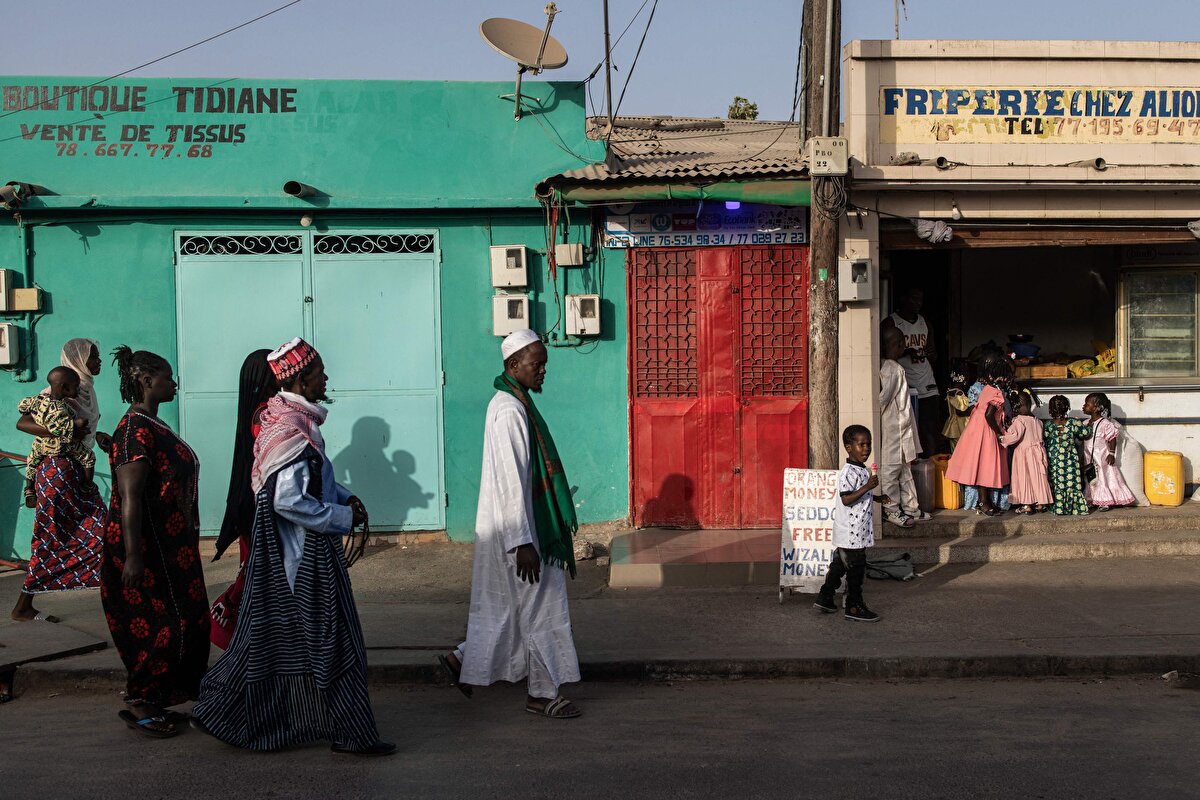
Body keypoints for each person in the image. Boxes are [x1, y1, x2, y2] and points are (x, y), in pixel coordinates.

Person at [191, 338, 393, 756]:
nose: (326, 379)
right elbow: (287, 499)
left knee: (274, 645)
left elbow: (313, 482)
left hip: (298, 557)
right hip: (303, 560)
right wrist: (341, 517)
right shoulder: (289, 430)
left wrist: (344, 496)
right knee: (337, 644)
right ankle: (352, 734)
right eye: (320, 373)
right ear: (301, 380)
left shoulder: (290, 422)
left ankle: (221, 711)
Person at [439, 329, 582, 719]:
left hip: (524, 530)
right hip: (522, 534)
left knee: (510, 609)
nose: (542, 372)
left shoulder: (516, 405)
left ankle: (462, 659)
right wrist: (522, 542)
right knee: (540, 610)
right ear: (513, 364)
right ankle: (542, 694)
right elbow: (510, 478)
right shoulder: (508, 410)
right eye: (537, 364)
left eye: (544, 365)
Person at [101, 346, 209, 738]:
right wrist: (132, 556)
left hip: (172, 548)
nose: (175, 383)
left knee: (191, 620)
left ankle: (164, 697)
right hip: (146, 550)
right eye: (167, 377)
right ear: (147, 381)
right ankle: (142, 700)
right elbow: (130, 496)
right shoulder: (134, 430)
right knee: (157, 626)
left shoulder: (152, 426)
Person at [10, 367, 108, 624]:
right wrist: (65, 430)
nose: (97, 361)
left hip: (70, 471)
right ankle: (23, 605)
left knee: (100, 529)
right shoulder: (50, 394)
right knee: (51, 537)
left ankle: (122, 591)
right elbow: (22, 423)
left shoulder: (84, 392)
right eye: (93, 356)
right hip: (56, 472)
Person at [208, 349, 277, 649]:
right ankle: (231, 629)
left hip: (256, 502)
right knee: (258, 574)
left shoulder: (265, 409)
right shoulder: (264, 414)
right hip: (261, 505)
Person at [814, 425, 886, 623]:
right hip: (851, 532)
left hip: (856, 531)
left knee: (839, 566)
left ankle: (825, 597)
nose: (866, 449)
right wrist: (867, 486)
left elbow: (861, 496)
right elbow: (846, 499)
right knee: (856, 570)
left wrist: (877, 497)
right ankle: (854, 606)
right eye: (861, 445)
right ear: (848, 447)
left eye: (868, 445)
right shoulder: (848, 472)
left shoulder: (860, 470)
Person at [946, 357, 1010, 516]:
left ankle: (984, 501)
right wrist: (998, 433)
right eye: (1003, 375)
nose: (1006, 379)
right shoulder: (996, 392)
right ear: (994, 377)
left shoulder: (987, 388)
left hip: (977, 429)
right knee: (986, 467)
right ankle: (983, 502)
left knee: (982, 466)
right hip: (986, 430)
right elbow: (989, 415)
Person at [883, 287, 941, 457]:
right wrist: (907, 352)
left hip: (926, 382)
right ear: (903, 299)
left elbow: (934, 354)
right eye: (914, 299)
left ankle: (930, 465)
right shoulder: (891, 323)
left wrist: (927, 353)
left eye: (920, 300)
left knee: (929, 427)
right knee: (908, 430)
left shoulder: (925, 323)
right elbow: (883, 354)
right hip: (905, 383)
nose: (918, 304)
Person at [879, 327, 927, 528]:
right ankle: (891, 510)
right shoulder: (892, 369)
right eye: (901, 343)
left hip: (901, 427)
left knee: (905, 469)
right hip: (894, 428)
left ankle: (911, 507)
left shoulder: (891, 367)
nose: (904, 347)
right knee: (891, 470)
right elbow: (883, 399)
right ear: (895, 345)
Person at [1000, 391, 1053, 514]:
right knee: (1038, 478)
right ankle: (1040, 503)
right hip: (1039, 452)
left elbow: (1014, 436)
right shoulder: (1038, 420)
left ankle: (1026, 504)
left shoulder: (1019, 420)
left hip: (1024, 454)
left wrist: (1002, 437)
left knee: (1025, 478)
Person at [1082, 393, 1135, 512]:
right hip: (1088, 457)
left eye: (1087, 404)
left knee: (1102, 478)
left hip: (1101, 457)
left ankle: (1105, 500)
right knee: (1090, 479)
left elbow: (1112, 438)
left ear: (1096, 408)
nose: (1083, 406)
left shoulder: (1105, 424)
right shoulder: (1085, 423)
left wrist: (1111, 453)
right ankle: (1092, 498)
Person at [1043, 395, 1091, 516]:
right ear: (1067, 408)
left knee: (1057, 483)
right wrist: (1089, 424)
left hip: (1054, 461)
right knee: (1072, 484)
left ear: (1050, 410)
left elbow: (1044, 438)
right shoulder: (1073, 423)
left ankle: (1060, 508)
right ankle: (1075, 508)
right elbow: (1085, 433)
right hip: (1070, 460)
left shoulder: (1048, 425)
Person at [942, 371, 970, 452]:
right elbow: (960, 411)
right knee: (961, 448)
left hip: (953, 423)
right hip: (960, 424)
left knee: (954, 448)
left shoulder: (950, 392)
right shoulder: (959, 393)